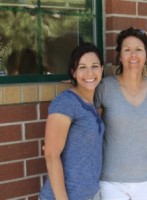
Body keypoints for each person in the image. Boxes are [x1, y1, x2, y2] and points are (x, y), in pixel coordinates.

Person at [94, 27, 147, 200]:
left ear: (146, 55)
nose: (133, 55)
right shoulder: (105, 87)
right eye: (127, 50)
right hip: (111, 182)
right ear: (120, 56)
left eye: (138, 50)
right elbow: (91, 128)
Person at [39, 43, 105, 200]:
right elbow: (51, 155)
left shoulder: (91, 103)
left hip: (90, 194)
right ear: (73, 72)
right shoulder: (66, 102)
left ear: (102, 69)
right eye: (82, 67)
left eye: (94, 66)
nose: (89, 72)